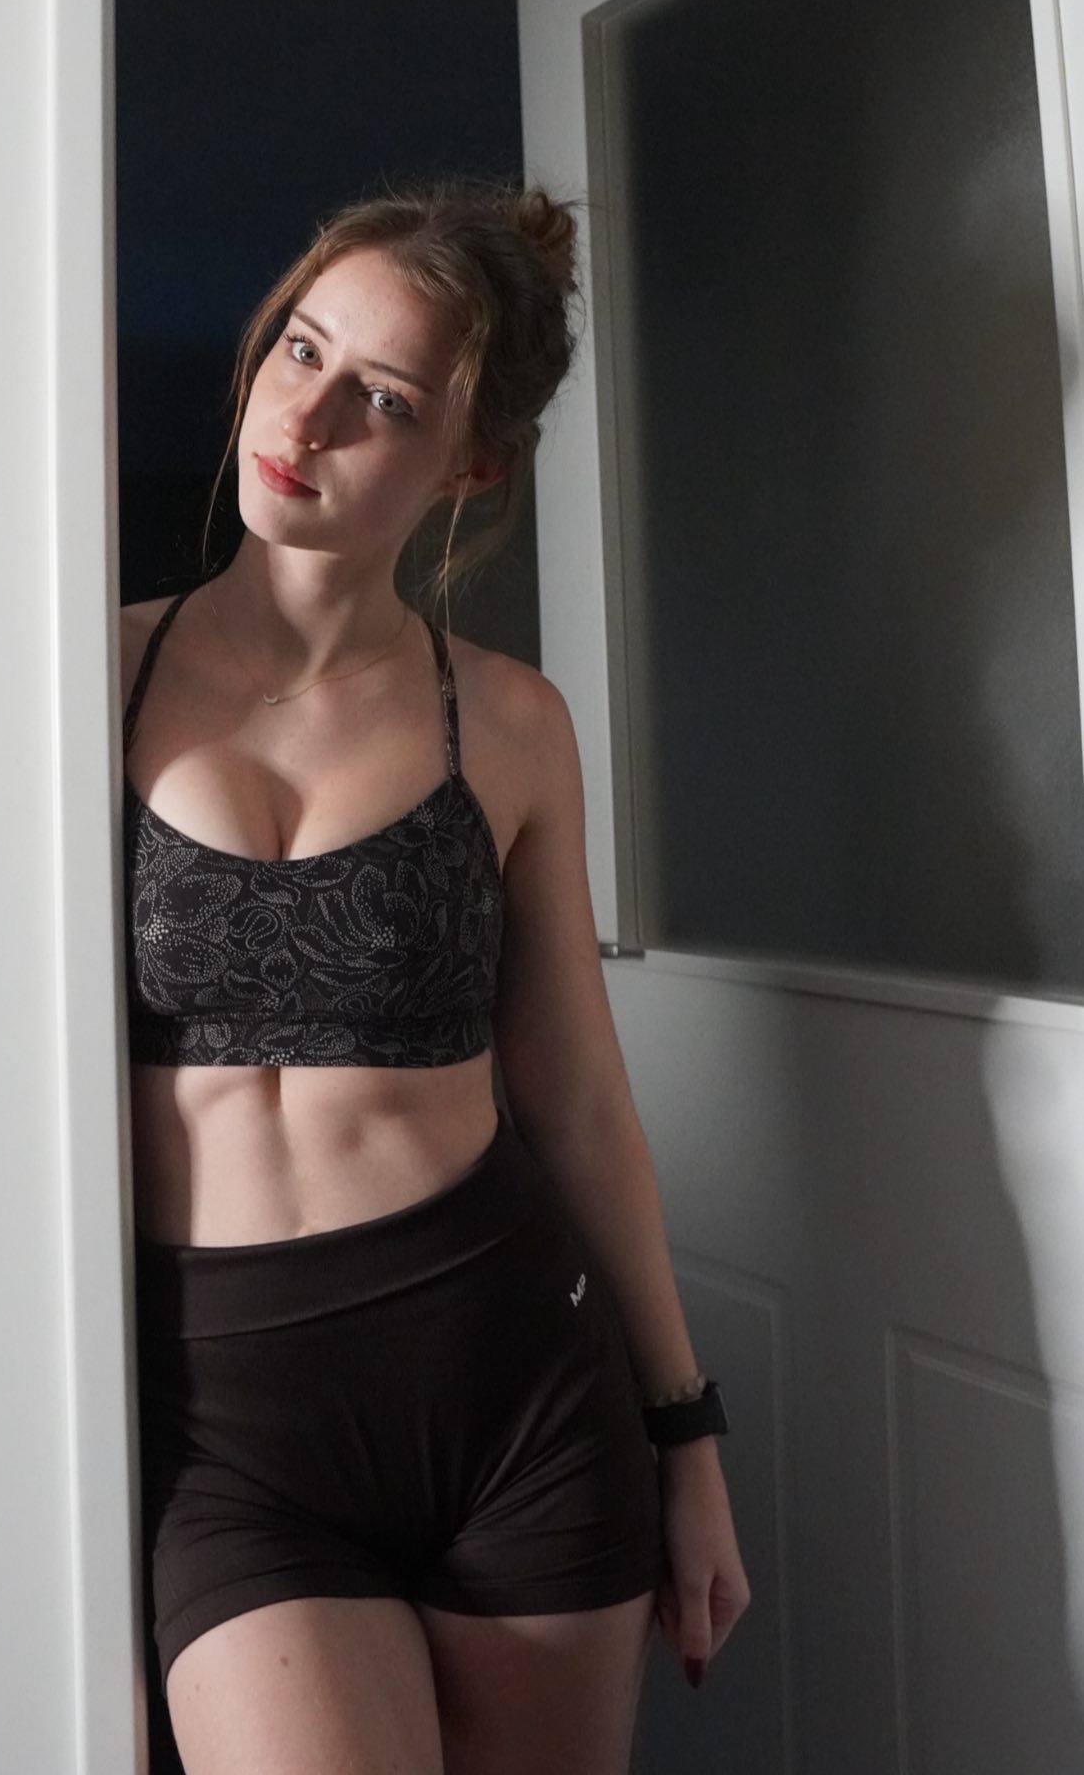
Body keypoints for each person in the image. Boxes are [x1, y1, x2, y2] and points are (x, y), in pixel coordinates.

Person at [121, 173, 750, 1775]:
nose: (307, 416)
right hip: (227, 1428)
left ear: (469, 466)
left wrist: (685, 1437)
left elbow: (579, 1102)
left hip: (518, 1400)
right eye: (301, 349)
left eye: (384, 398)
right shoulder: (90, 677)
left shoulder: (513, 722)